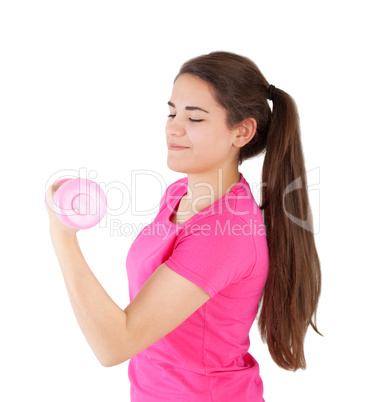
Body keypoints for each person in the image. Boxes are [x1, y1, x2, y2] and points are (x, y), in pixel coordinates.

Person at [46, 51, 322, 401]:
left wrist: (62, 237)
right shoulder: (179, 194)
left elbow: (114, 345)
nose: (173, 128)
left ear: (242, 131)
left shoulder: (226, 234)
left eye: (195, 118)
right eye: (172, 112)